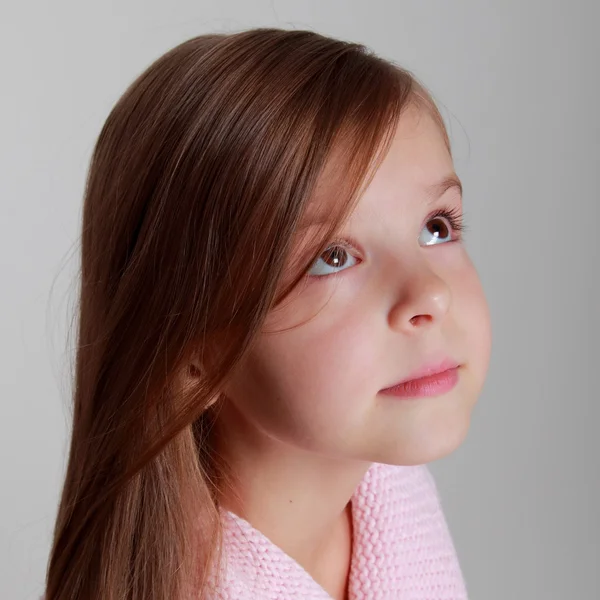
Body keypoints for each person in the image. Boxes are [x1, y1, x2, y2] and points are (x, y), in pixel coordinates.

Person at [43, 27, 492, 600]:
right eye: (332, 257)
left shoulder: (391, 504)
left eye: (436, 227)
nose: (430, 294)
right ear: (193, 355)